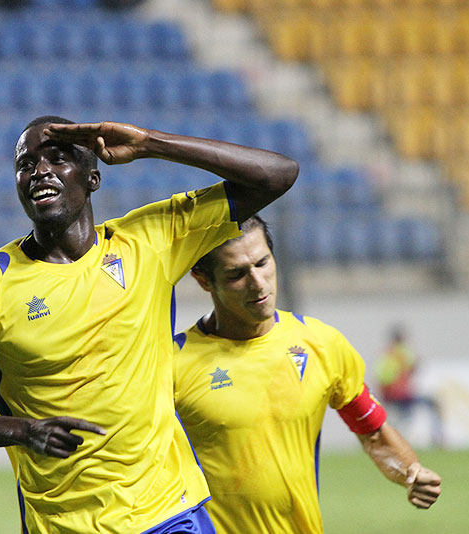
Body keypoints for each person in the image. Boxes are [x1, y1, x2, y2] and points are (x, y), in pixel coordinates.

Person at [0, 117, 299, 533]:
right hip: (64, 523)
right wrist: (23, 431)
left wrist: (150, 143)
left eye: (57, 159)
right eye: (25, 164)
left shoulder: (150, 241)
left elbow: (277, 176)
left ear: (93, 177)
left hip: (171, 510)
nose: (39, 171)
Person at [172, 215, 442, 534]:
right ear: (203, 280)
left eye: (262, 263)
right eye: (236, 274)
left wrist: (410, 470)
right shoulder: (170, 364)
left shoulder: (322, 344)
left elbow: (373, 432)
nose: (258, 282)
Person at [377, 325, 444, 447]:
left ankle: (390, 442)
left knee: (400, 421)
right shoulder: (404, 352)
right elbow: (415, 365)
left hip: (390, 396)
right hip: (403, 395)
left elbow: (381, 377)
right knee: (432, 404)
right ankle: (437, 437)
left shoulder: (385, 354)